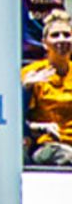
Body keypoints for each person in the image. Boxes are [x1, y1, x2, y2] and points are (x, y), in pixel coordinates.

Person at [26, 9, 72, 165]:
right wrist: (25, 88)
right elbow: (18, 120)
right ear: (44, 43)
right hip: (47, 146)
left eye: (67, 35)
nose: (62, 40)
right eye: (55, 35)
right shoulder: (32, 73)